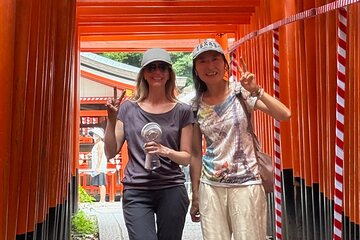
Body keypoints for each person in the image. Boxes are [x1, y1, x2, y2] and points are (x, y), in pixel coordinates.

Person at [189, 40, 291, 240]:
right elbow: (195, 154)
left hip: (247, 183)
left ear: (225, 64)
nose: (210, 66)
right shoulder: (195, 106)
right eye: (202, 61)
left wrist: (257, 90)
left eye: (215, 59)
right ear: (196, 69)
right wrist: (195, 194)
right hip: (211, 186)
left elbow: (284, 114)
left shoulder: (241, 93)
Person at [104, 48, 194, 240]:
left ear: (169, 73)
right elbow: (110, 152)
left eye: (162, 67)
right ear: (144, 74)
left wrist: (165, 151)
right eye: (151, 68)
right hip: (137, 189)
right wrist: (111, 121)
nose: (157, 72)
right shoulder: (128, 108)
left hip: (171, 187)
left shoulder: (182, 110)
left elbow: (187, 157)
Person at [89, 127, 108, 203]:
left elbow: (100, 155)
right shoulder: (97, 144)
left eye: (95, 135)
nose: (94, 137)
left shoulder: (100, 144)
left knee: (101, 184)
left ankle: (102, 200)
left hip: (100, 166)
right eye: (93, 135)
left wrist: (98, 166)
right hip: (97, 165)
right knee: (100, 184)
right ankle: (102, 199)